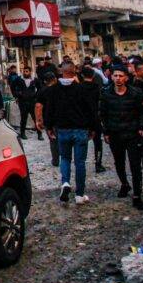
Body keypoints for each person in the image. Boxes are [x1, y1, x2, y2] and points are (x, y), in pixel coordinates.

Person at [36, 59, 98, 204]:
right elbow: (91, 110)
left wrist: (49, 127)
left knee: (64, 158)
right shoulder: (82, 89)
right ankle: (79, 195)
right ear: (74, 72)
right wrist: (93, 128)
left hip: (62, 130)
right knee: (80, 162)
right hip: (80, 130)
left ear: (61, 72)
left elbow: (49, 110)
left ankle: (65, 183)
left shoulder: (53, 90)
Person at [99, 66, 143, 210]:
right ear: (111, 77)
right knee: (119, 162)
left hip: (133, 133)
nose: (118, 78)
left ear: (126, 78)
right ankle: (124, 184)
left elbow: (141, 112)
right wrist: (106, 132)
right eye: (115, 75)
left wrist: (141, 127)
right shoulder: (106, 93)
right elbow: (103, 114)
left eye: (121, 76)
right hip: (115, 133)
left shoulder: (135, 93)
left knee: (135, 165)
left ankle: (137, 195)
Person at [79, 64, 106, 173]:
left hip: (82, 119)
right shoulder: (97, 88)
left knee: (81, 143)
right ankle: (98, 164)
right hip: (95, 118)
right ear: (93, 75)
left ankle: (80, 164)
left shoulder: (78, 88)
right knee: (97, 142)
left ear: (81, 75)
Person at [9, 64, 40, 140]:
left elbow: (40, 88)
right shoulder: (19, 79)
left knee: (35, 118)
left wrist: (36, 96)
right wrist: (16, 95)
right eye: (24, 71)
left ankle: (40, 134)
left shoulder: (34, 79)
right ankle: (22, 133)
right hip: (22, 101)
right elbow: (12, 86)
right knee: (23, 118)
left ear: (30, 72)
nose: (25, 73)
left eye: (27, 71)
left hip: (32, 101)